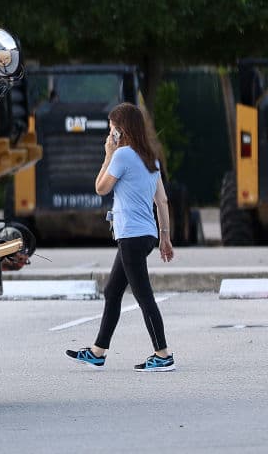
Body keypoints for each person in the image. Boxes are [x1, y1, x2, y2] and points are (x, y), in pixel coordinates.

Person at [65, 102, 176, 372]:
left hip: (131, 236)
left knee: (143, 296)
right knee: (112, 291)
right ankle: (98, 352)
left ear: (120, 130)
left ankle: (163, 355)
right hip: (146, 234)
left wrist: (107, 154)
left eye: (111, 128)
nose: (109, 132)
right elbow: (161, 201)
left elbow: (101, 188)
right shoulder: (151, 158)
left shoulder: (123, 156)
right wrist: (165, 237)